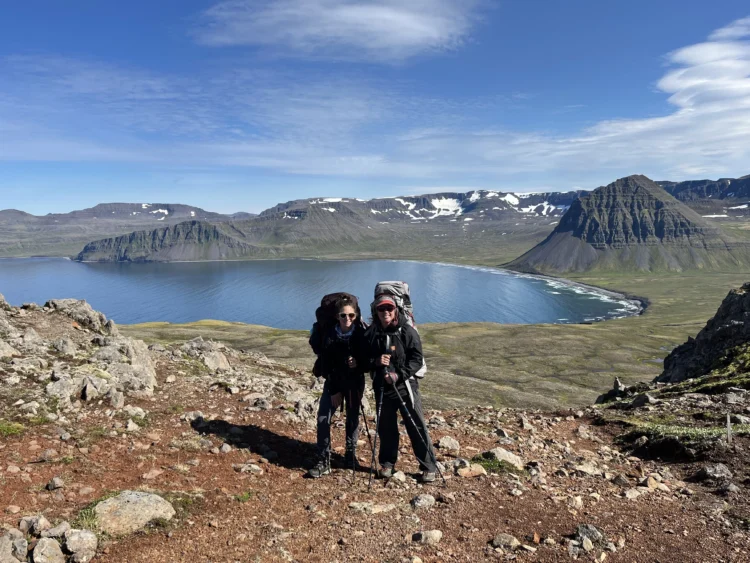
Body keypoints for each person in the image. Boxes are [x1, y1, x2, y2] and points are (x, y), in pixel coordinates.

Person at [360, 294, 438, 483]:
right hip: (382, 388)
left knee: (416, 425)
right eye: (381, 309)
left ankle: (428, 467)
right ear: (375, 311)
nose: (385, 312)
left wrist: (398, 374)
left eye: (389, 308)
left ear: (396, 310)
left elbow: (417, 360)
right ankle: (387, 464)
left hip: (405, 387)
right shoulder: (371, 334)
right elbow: (364, 361)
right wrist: (376, 361)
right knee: (386, 428)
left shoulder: (407, 332)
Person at [306, 296, 366, 478]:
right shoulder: (330, 336)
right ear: (337, 317)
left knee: (353, 418)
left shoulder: (362, 334)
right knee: (324, 418)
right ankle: (323, 459)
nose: (347, 319)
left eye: (351, 315)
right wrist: (334, 391)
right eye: (343, 315)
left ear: (356, 316)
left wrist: (358, 364)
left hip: (355, 383)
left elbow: (368, 362)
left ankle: (350, 454)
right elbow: (325, 366)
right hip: (334, 383)